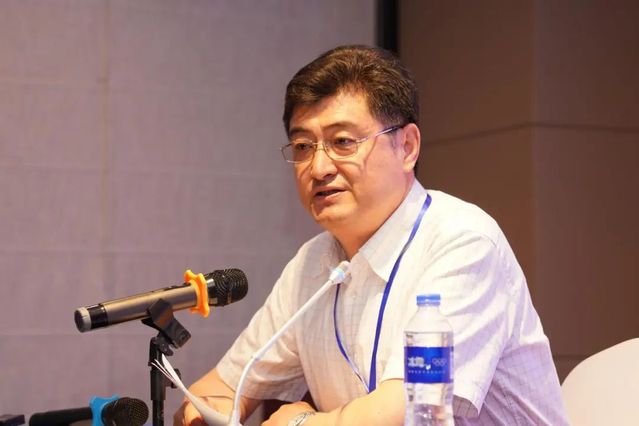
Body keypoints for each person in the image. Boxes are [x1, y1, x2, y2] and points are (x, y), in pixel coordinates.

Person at [174, 45, 569, 426]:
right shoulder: (312, 265)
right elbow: (224, 388)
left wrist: (300, 423)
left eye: (343, 142)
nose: (319, 167)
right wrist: (205, 413)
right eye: (303, 146)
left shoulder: (462, 241)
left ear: (407, 147)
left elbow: (408, 410)